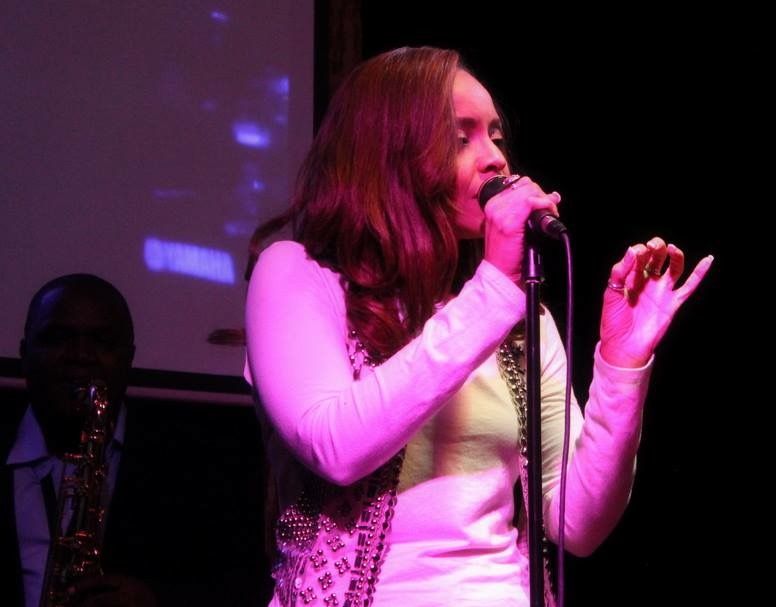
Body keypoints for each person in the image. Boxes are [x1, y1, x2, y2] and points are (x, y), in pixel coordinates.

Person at [243, 47, 713, 607]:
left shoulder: (517, 317)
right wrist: (493, 288)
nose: (495, 159)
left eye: (495, 135)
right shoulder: (298, 274)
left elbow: (577, 523)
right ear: (387, 152)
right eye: (460, 137)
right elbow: (335, 445)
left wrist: (621, 365)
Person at [1, 274, 268, 606]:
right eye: (57, 338)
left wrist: (156, 601)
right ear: (24, 354)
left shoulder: (192, 464)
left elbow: (243, 585)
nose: (80, 355)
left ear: (129, 359)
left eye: (102, 341)